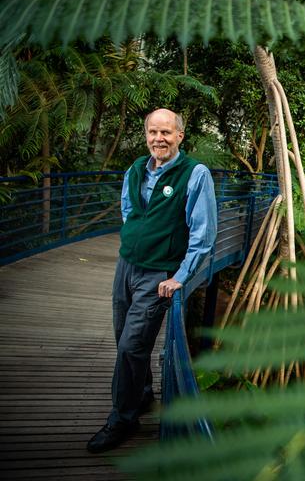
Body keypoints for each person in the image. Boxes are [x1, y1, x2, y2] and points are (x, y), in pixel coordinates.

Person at [87, 108, 217, 453]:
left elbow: (204, 235)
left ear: (179, 136)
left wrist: (181, 276)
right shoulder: (135, 169)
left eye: (166, 133)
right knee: (123, 337)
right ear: (146, 135)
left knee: (132, 345)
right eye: (153, 132)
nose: (158, 139)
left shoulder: (195, 174)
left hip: (159, 273)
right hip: (126, 265)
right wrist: (134, 238)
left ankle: (123, 419)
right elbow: (129, 211)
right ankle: (142, 394)